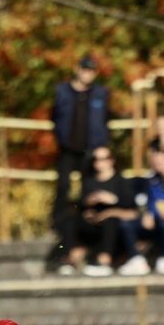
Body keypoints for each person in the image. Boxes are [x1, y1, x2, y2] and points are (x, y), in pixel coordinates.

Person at [51, 54, 110, 238]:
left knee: (88, 188)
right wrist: (60, 137)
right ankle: (58, 224)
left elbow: (105, 120)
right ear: (78, 69)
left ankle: (85, 223)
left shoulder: (100, 93)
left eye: (92, 70)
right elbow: (54, 116)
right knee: (63, 187)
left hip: (90, 149)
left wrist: (102, 144)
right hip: (68, 148)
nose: (88, 74)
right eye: (85, 69)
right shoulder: (62, 91)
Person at [58, 147, 139, 277]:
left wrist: (113, 202)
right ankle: (70, 258)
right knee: (68, 219)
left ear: (111, 160)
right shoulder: (89, 182)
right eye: (95, 159)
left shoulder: (121, 182)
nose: (99, 163)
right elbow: (79, 205)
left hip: (113, 226)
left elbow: (132, 209)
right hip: (92, 223)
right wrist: (88, 204)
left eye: (103, 159)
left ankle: (104, 260)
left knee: (110, 222)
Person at [121, 148, 164, 276]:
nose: (158, 164)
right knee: (126, 225)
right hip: (153, 219)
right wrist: (148, 214)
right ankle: (136, 259)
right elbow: (145, 201)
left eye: (161, 161)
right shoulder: (151, 180)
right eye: (155, 162)